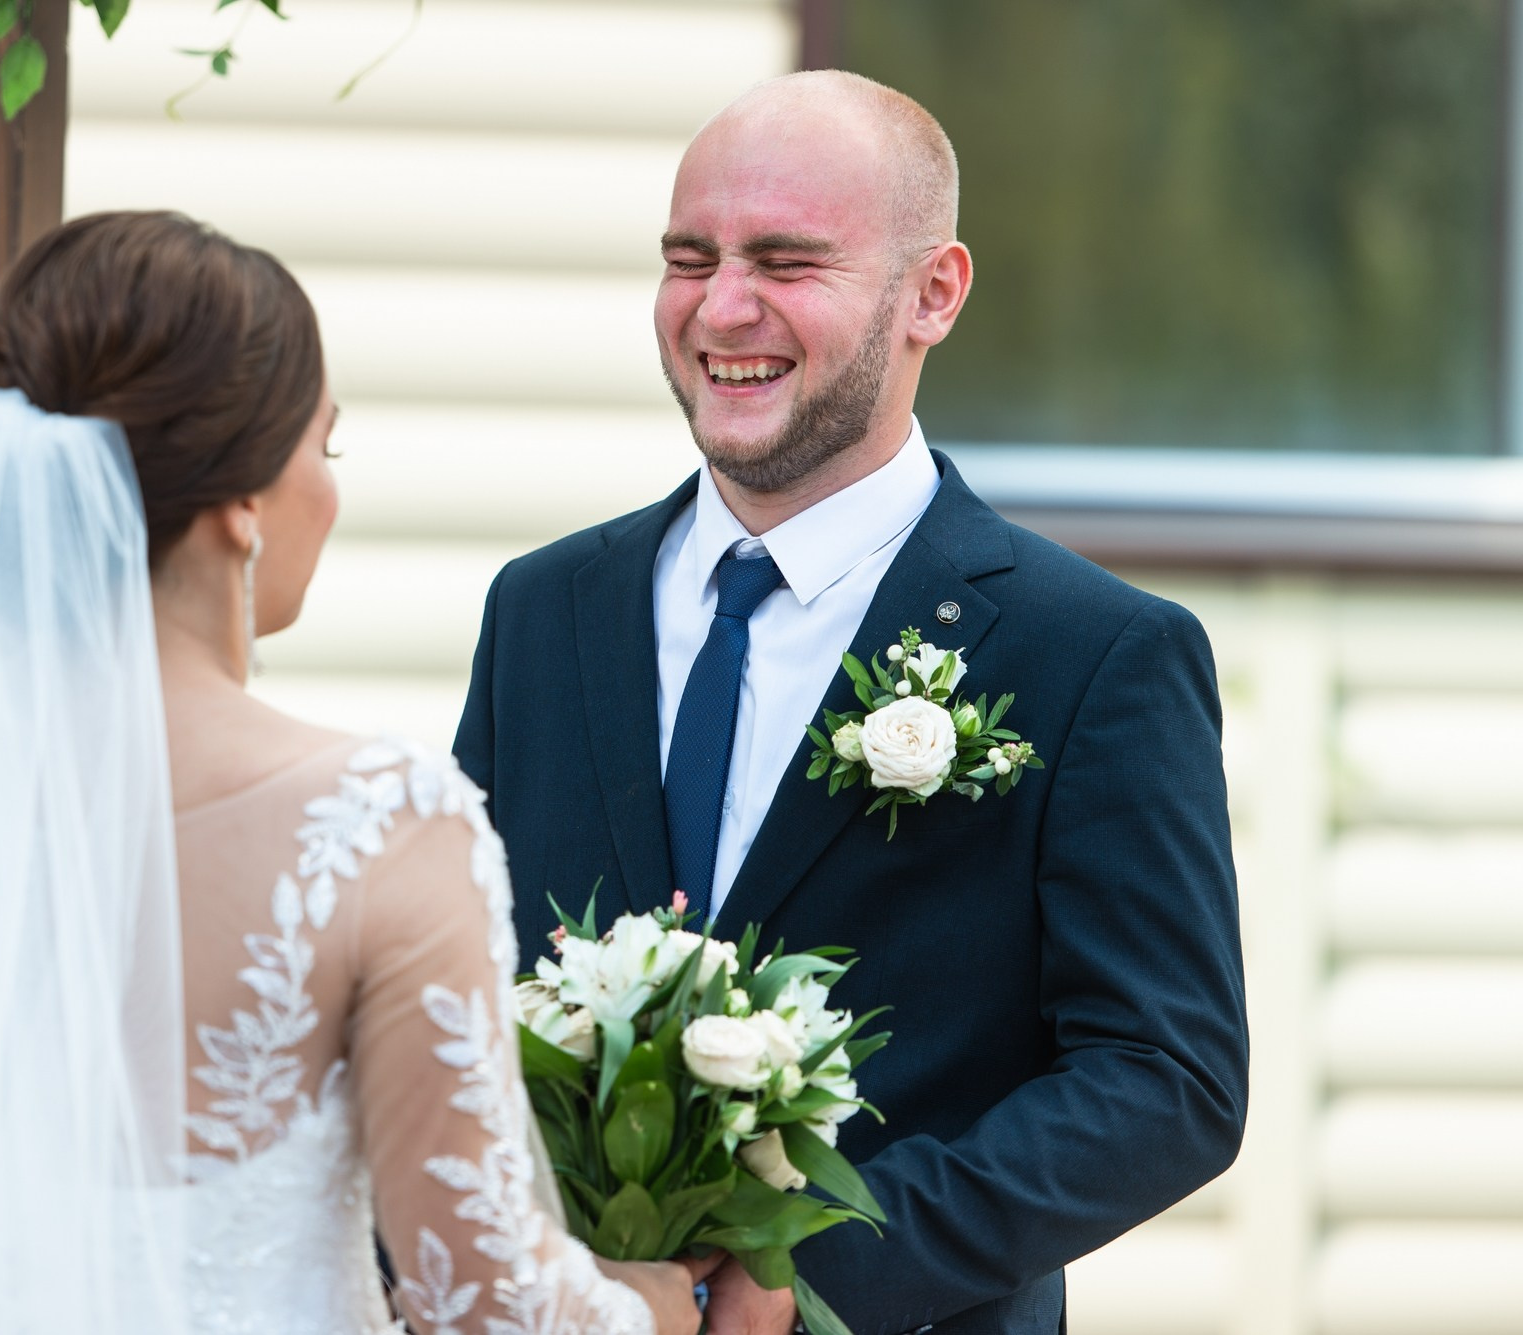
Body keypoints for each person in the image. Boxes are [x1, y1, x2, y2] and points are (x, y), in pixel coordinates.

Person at [454, 71, 1248, 1334]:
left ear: (931, 292)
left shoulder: (1092, 653)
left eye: (784, 260)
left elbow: (1164, 1082)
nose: (721, 307)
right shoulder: (542, 610)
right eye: (687, 257)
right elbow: (472, 989)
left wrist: (815, 1268)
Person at [0, 211, 714, 1334]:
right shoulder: (383, 824)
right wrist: (662, 1302)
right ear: (243, 503)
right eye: (324, 448)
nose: (330, 490)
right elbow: (486, 1305)